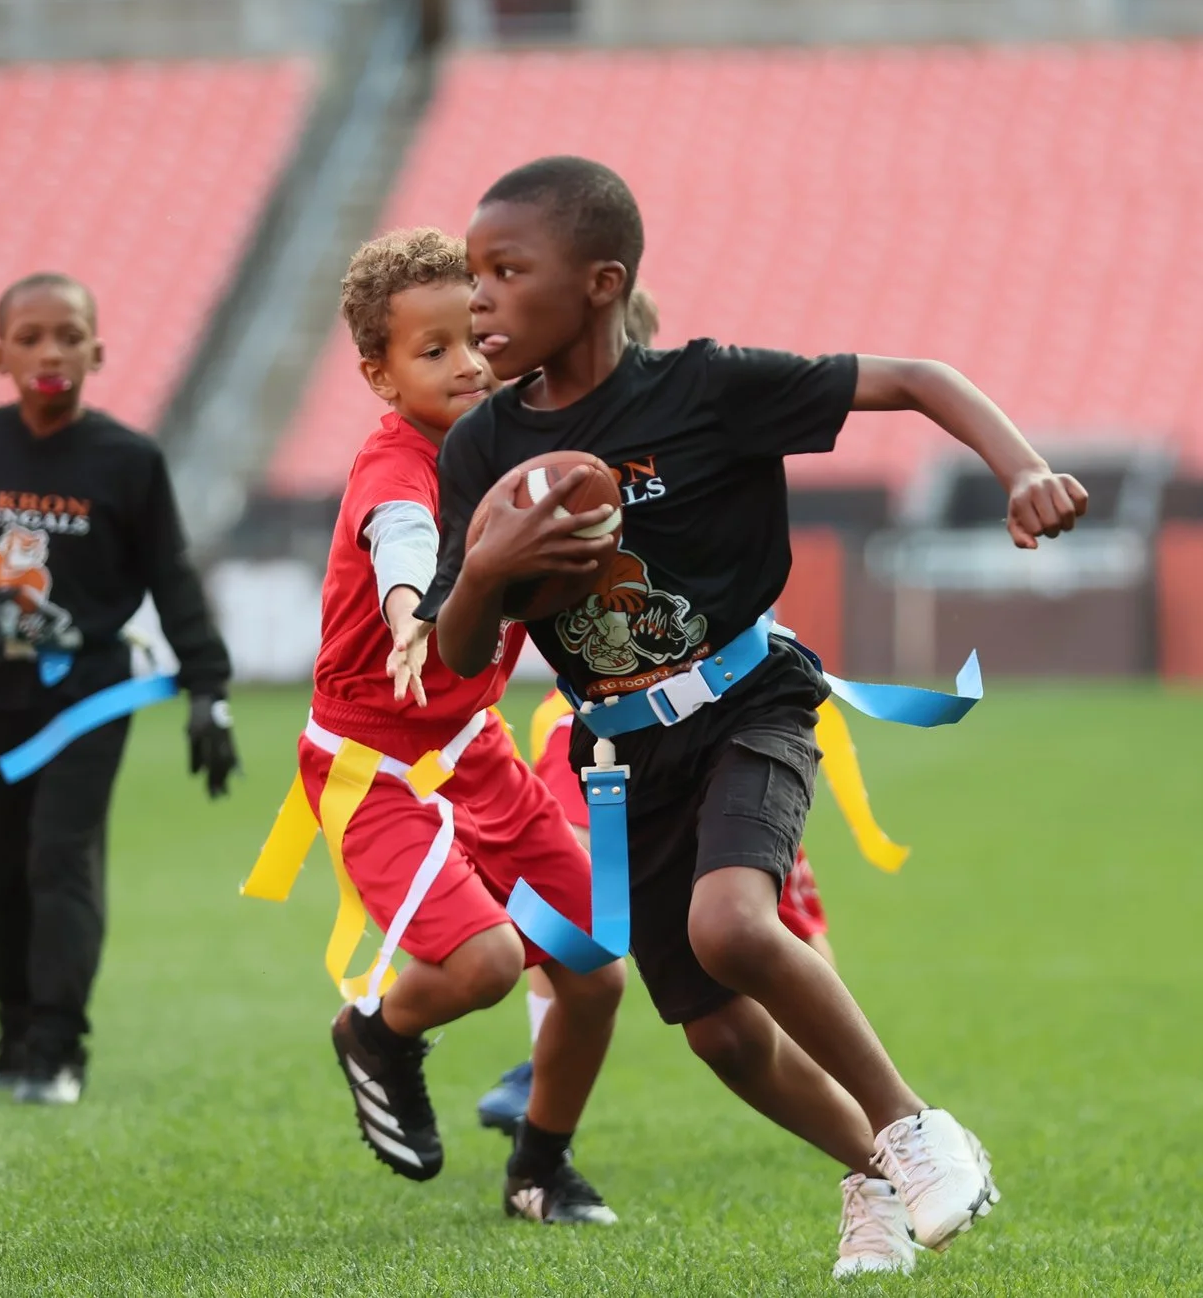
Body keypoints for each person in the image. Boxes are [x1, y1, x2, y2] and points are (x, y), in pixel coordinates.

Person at [420, 156, 1088, 1277]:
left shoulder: (706, 387)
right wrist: (485, 571)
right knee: (721, 1031)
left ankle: (921, 1129)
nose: (473, 296)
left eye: (503, 269)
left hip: (748, 699)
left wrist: (1019, 467)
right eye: (468, 272)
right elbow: (454, 648)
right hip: (626, 753)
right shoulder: (479, 451)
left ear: (599, 281)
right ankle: (877, 1182)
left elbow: (917, 376)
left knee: (730, 926)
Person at [304, 227, 622, 1223]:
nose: (463, 364)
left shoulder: (519, 443)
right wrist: (411, 612)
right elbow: (401, 539)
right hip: (371, 766)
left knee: (594, 965)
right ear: (377, 371)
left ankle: (538, 1169)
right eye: (428, 349)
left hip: (472, 751)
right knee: (482, 962)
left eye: (471, 340)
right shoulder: (396, 461)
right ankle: (375, 1031)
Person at [477, 285, 835, 1137]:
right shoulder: (499, 452)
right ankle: (542, 1068)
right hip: (597, 734)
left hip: (732, 705)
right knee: (583, 907)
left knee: (757, 916)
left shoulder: (690, 412)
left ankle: (868, 1095)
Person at [0, 273, 238, 1106]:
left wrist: (208, 690)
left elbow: (173, 578)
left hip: (88, 692)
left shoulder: (129, 460)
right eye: (32, 336)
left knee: (59, 854)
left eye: (69, 335)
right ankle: (12, 1027)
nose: (51, 352)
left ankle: (57, 1045)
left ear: (98, 350)